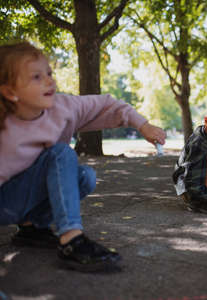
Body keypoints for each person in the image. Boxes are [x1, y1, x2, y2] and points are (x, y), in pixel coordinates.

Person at [0, 41, 166, 272]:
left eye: (49, 73)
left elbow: (107, 104)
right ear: (10, 92)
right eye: (36, 77)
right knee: (60, 153)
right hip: (5, 203)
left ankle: (32, 229)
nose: (49, 81)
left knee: (84, 177)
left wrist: (143, 125)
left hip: (27, 199)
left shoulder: (62, 106)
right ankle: (72, 241)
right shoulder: (5, 128)